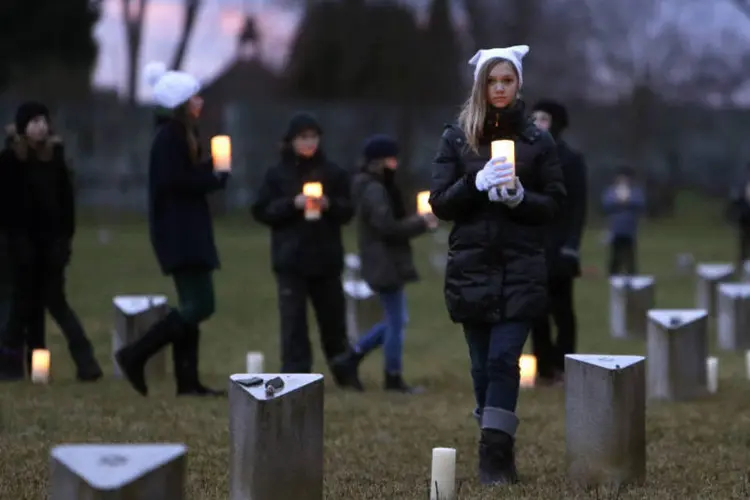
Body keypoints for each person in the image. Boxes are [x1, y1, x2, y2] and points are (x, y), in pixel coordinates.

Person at [428, 45, 565, 485]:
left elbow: (555, 204)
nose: (500, 88)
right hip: (471, 267)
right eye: (492, 81)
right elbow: (440, 204)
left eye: (507, 80)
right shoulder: (456, 137)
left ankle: (495, 458)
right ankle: (494, 444)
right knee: (482, 366)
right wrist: (474, 183)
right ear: (480, 85)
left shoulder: (538, 142)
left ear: (519, 83)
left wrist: (522, 198)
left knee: (506, 360)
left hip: (521, 266)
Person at [115, 62, 230, 397]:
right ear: (181, 103)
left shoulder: (178, 136)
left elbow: (182, 175)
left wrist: (210, 167)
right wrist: (213, 178)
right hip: (181, 234)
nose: (200, 103)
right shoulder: (170, 137)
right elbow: (177, 181)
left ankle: (188, 381)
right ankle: (134, 354)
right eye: (195, 98)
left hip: (185, 231)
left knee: (189, 304)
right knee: (200, 304)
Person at [251, 112, 362, 390]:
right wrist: (293, 203)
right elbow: (262, 210)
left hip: (326, 260)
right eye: (303, 137)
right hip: (291, 261)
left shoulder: (334, 173)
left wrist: (329, 205)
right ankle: (296, 378)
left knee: (334, 323)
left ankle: (345, 374)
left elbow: (348, 210)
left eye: (313, 137)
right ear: (290, 141)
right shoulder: (277, 175)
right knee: (294, 324)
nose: (309, 142)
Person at [0, 101, 102, 382]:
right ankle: (11, 365)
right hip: (21, 250)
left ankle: (86, 360)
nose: (40, 127)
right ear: (23, 127)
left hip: (51, 250)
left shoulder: (55, 159)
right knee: (20, 308)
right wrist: (16, 245)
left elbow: (66, 205)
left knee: (56, 303)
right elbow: (8, 209)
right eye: (34, 122)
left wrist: (63, 242)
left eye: (43, 121)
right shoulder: (10, 161)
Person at [333, 135, 437, 393]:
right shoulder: (374, 189)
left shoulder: (372, 186)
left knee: (396, 320)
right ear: (378, 162)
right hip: (385, 262)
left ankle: (351, 358)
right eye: (391, 159)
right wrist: (421, 222)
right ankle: (390, 375)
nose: (395, 164)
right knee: (396, 321)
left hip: (384, 261)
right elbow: (386, 226)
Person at [529, 99, 588, 385]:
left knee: (562, 310)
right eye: (535, 118)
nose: (538, 123)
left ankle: (565, 364)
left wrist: (571, 245)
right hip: (533, 245)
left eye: (544, 118)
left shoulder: (572, 160)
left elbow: (578, 206)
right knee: (535, 310)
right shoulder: (526, 158)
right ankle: (543, 366)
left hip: (560, 245)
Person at [601, 166, 645, 276]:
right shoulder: (611, 191)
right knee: (615, 254)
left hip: (630, 230)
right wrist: (618, 202)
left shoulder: (635, 191)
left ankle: (632, 274)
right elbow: (606, 204)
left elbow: (640, 204)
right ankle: (613, 273)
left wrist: (627, 202)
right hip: (615, 229)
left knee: (629, 254)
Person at [727, 162, 750, 268]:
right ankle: (742, 265)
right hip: (746, 217)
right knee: (743, 243)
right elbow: (737, 200)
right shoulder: (743, 182)